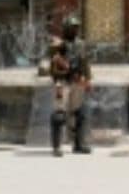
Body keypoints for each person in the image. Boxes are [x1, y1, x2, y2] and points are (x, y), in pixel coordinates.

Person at [48, 14, 92, 157]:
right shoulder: (58, 44)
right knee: (59, 115)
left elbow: (84, 62)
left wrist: (88, 79)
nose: (74, 30)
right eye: (72, 27)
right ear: (66, 28)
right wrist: (57, 81)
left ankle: (78, 144)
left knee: (79, 114)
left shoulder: (80, 44)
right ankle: (56, 147)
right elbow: (52, 62)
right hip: (63, 82)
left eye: (76, 27)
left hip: (77, 81)